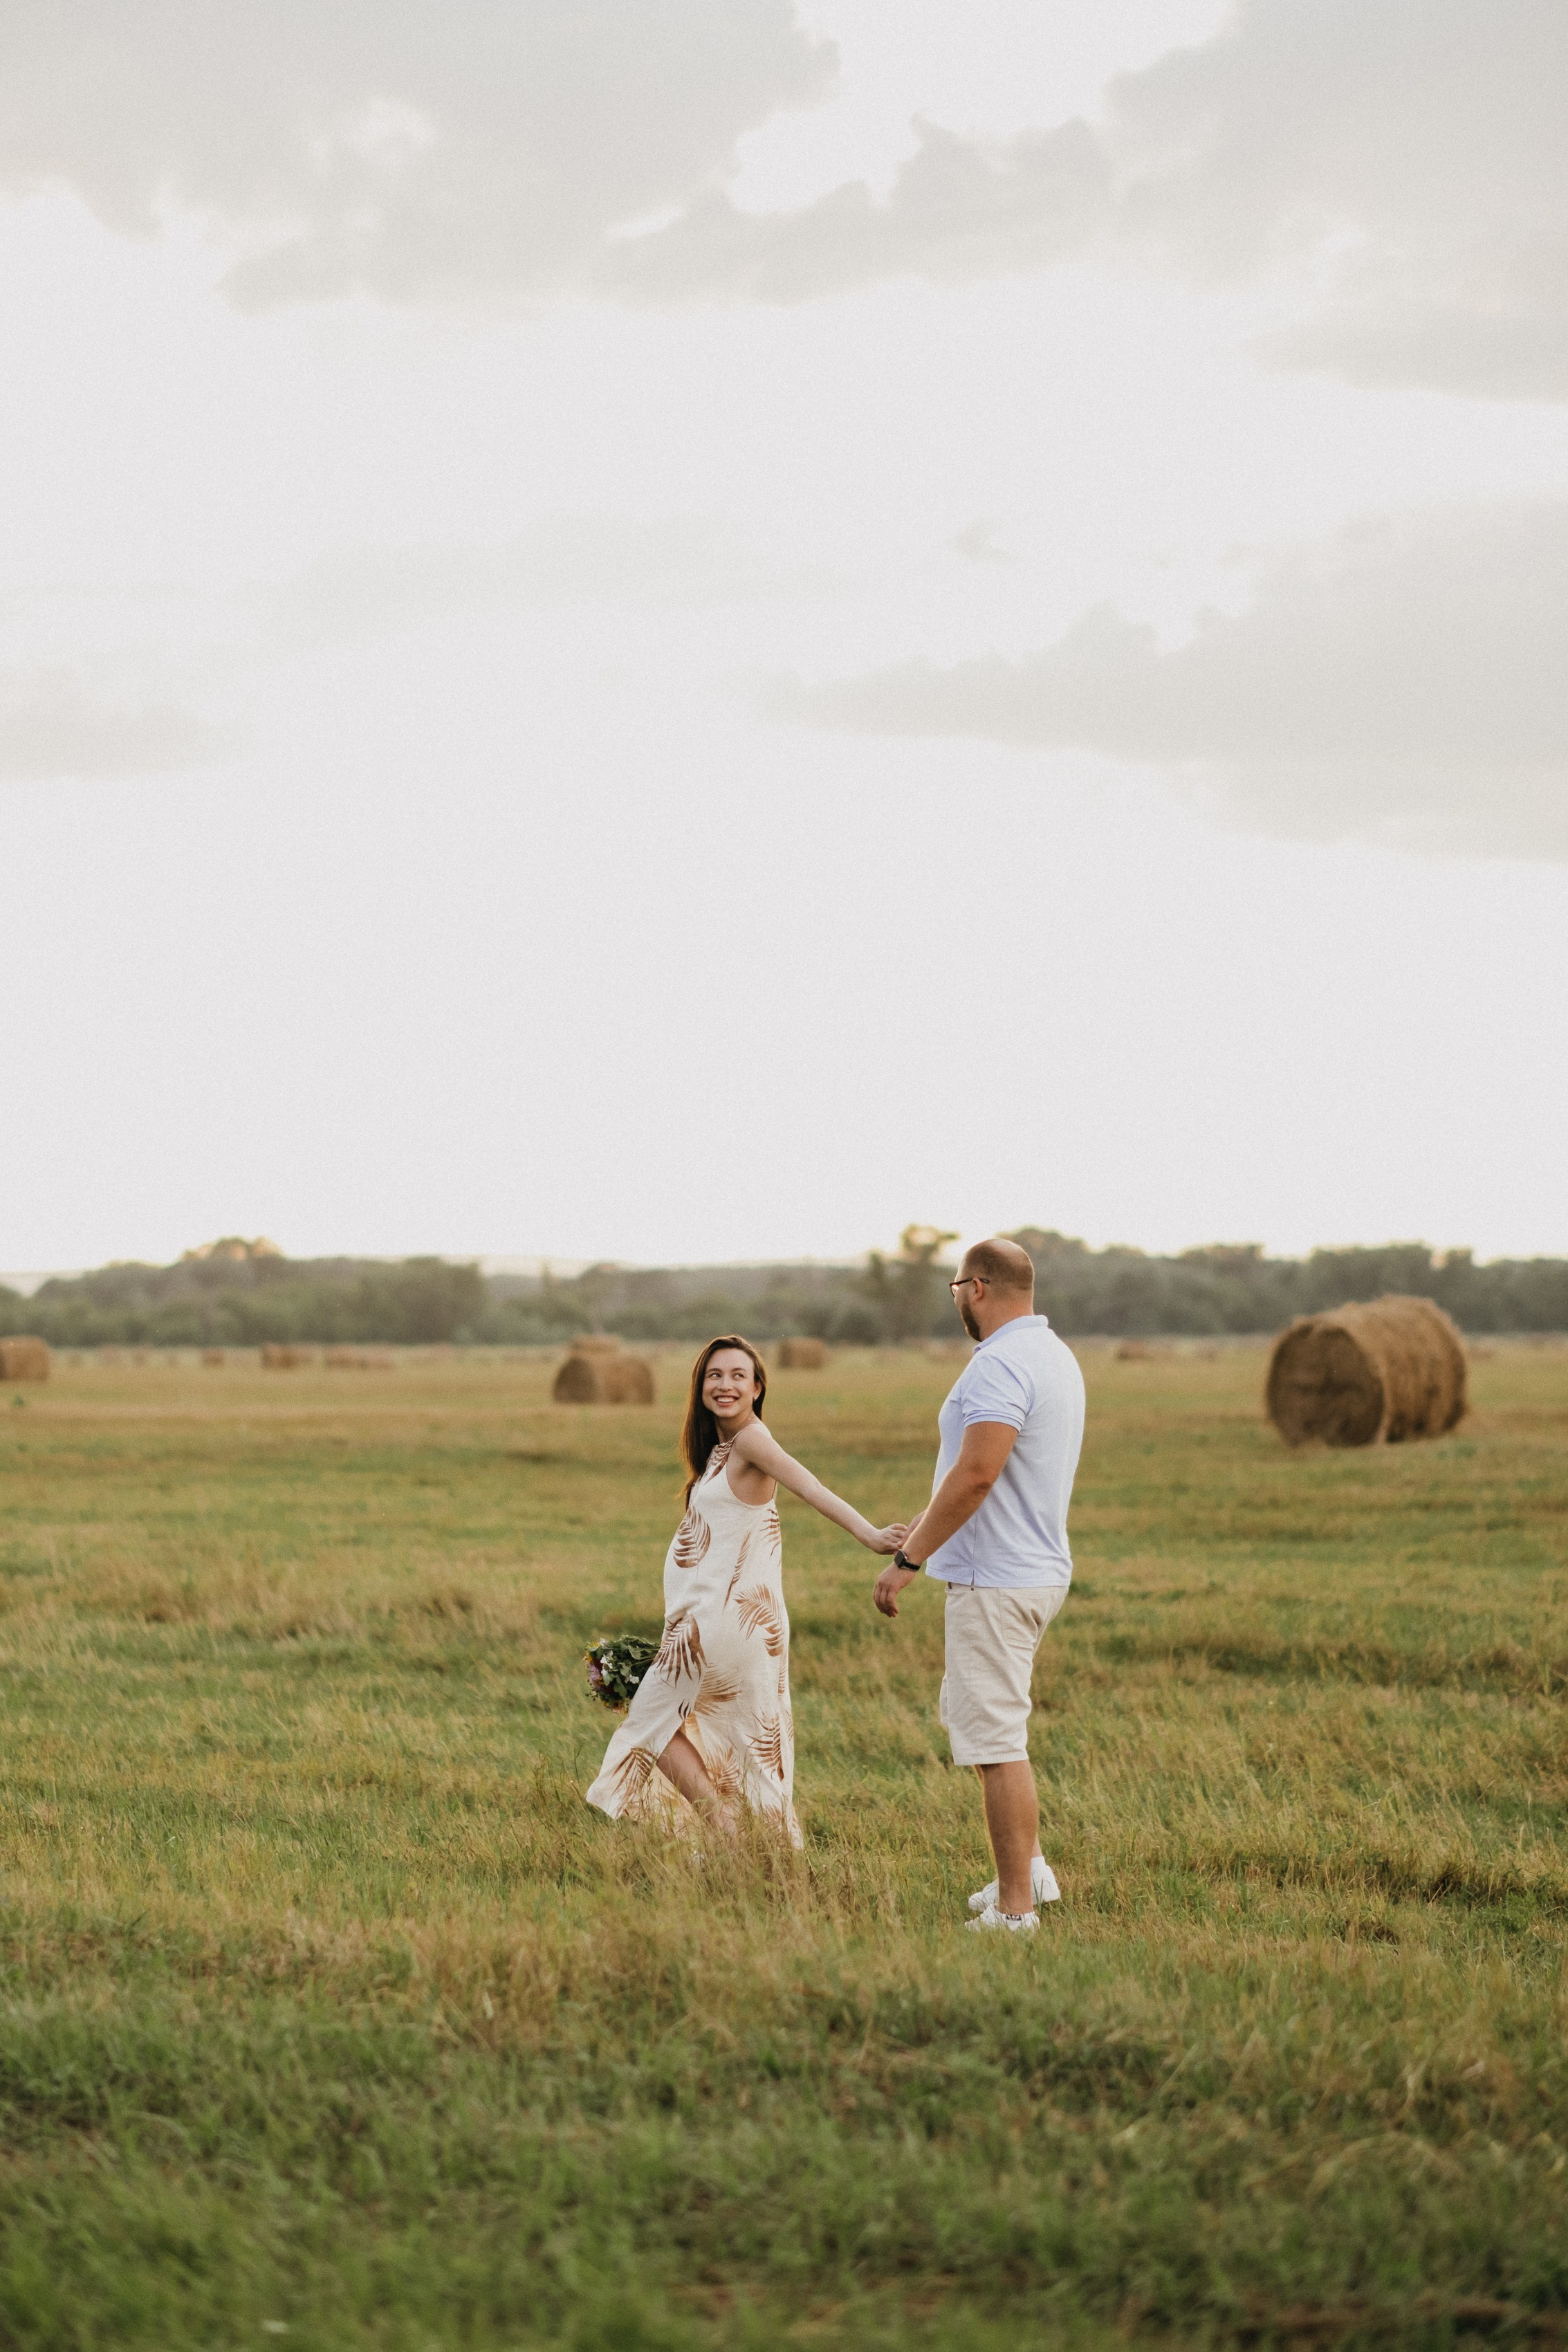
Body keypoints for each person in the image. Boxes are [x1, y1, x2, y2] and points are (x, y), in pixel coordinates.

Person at [587, 1334, 907, 1843]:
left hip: (725, 1623)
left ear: (758, 1388)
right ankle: (739, 1835)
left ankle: (725, 1826)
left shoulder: (752, 1440)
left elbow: (810, 1485)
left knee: (651, 1717)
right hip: (713, 1620)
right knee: (719, 1732)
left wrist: (870, 1535)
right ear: (700, 1387)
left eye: (738, 1376)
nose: (725, 1385)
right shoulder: (718, 1452)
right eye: (714, 1375)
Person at [873, 1238, 1085, 1932]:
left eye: (956, 1287)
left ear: (979, 1287)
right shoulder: (1051, 1354)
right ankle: (1024, 1872)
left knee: (995, 1744)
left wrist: (908, 1559)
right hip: (1028, 1568)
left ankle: (1016, 1910)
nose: (956, 1299)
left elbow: (977, 1473)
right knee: (978, 1726)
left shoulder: (999, 1364)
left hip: (997, 1578)